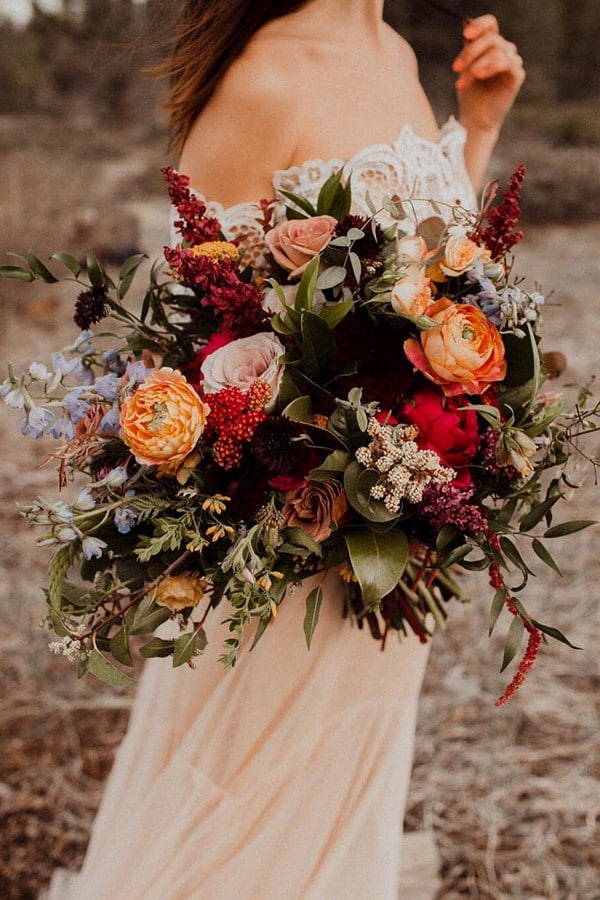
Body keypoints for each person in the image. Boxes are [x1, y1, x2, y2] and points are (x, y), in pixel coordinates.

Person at [46, 3, 524, 898]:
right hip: (287, 545)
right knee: (246, 799)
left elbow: (430, 260)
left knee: (344, 777)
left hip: (395, 530)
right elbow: (189, 335)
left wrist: (482, 126)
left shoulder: (391, 48)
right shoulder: (264, 78)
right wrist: (323, 469)